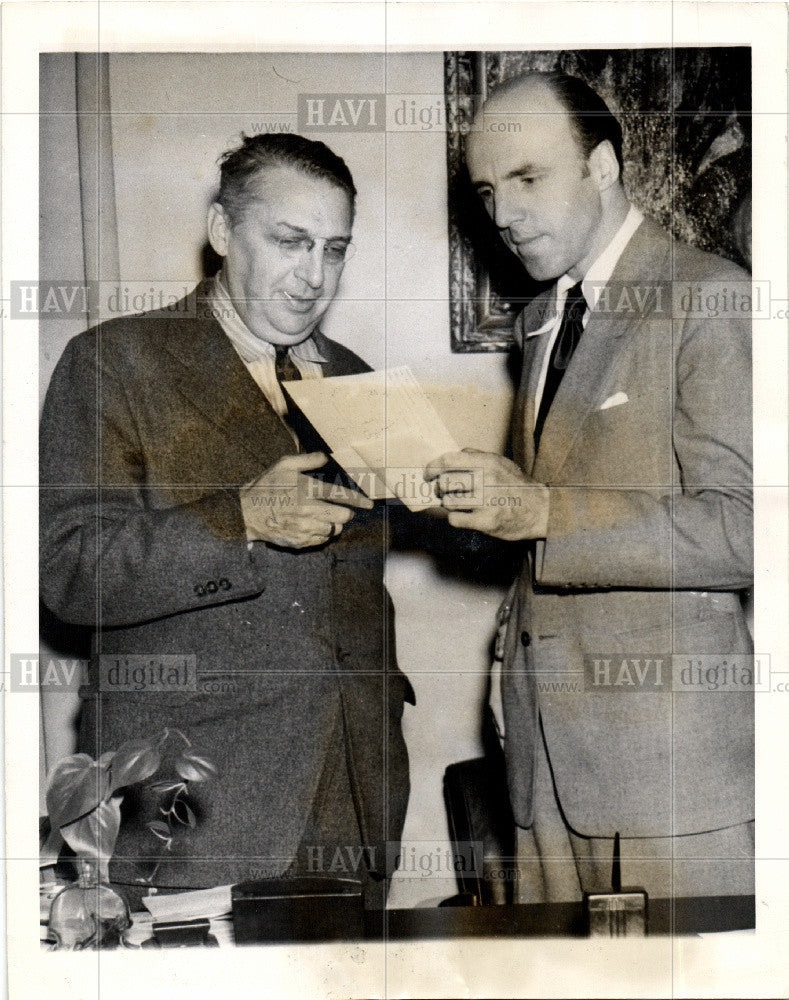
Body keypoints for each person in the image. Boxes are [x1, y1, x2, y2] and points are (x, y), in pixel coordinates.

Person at [40, 133, 413, 905]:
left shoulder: (360, 381)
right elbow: (71, 573)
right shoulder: (113, 363)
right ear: (220, 233)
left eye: (333, 249)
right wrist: (238, 518)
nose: (314, 278)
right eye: (289, 243)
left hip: (351, 795)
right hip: (192, 802)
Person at [426, 73, 753, 906]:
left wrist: (538, 510)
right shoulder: (543, 318)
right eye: (487, 191)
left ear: (603, 166)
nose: (502, 215)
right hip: (540, 762)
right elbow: (553, 535)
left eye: (528, 178)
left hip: (667, 775)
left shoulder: (708, 298)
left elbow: (749, 529)